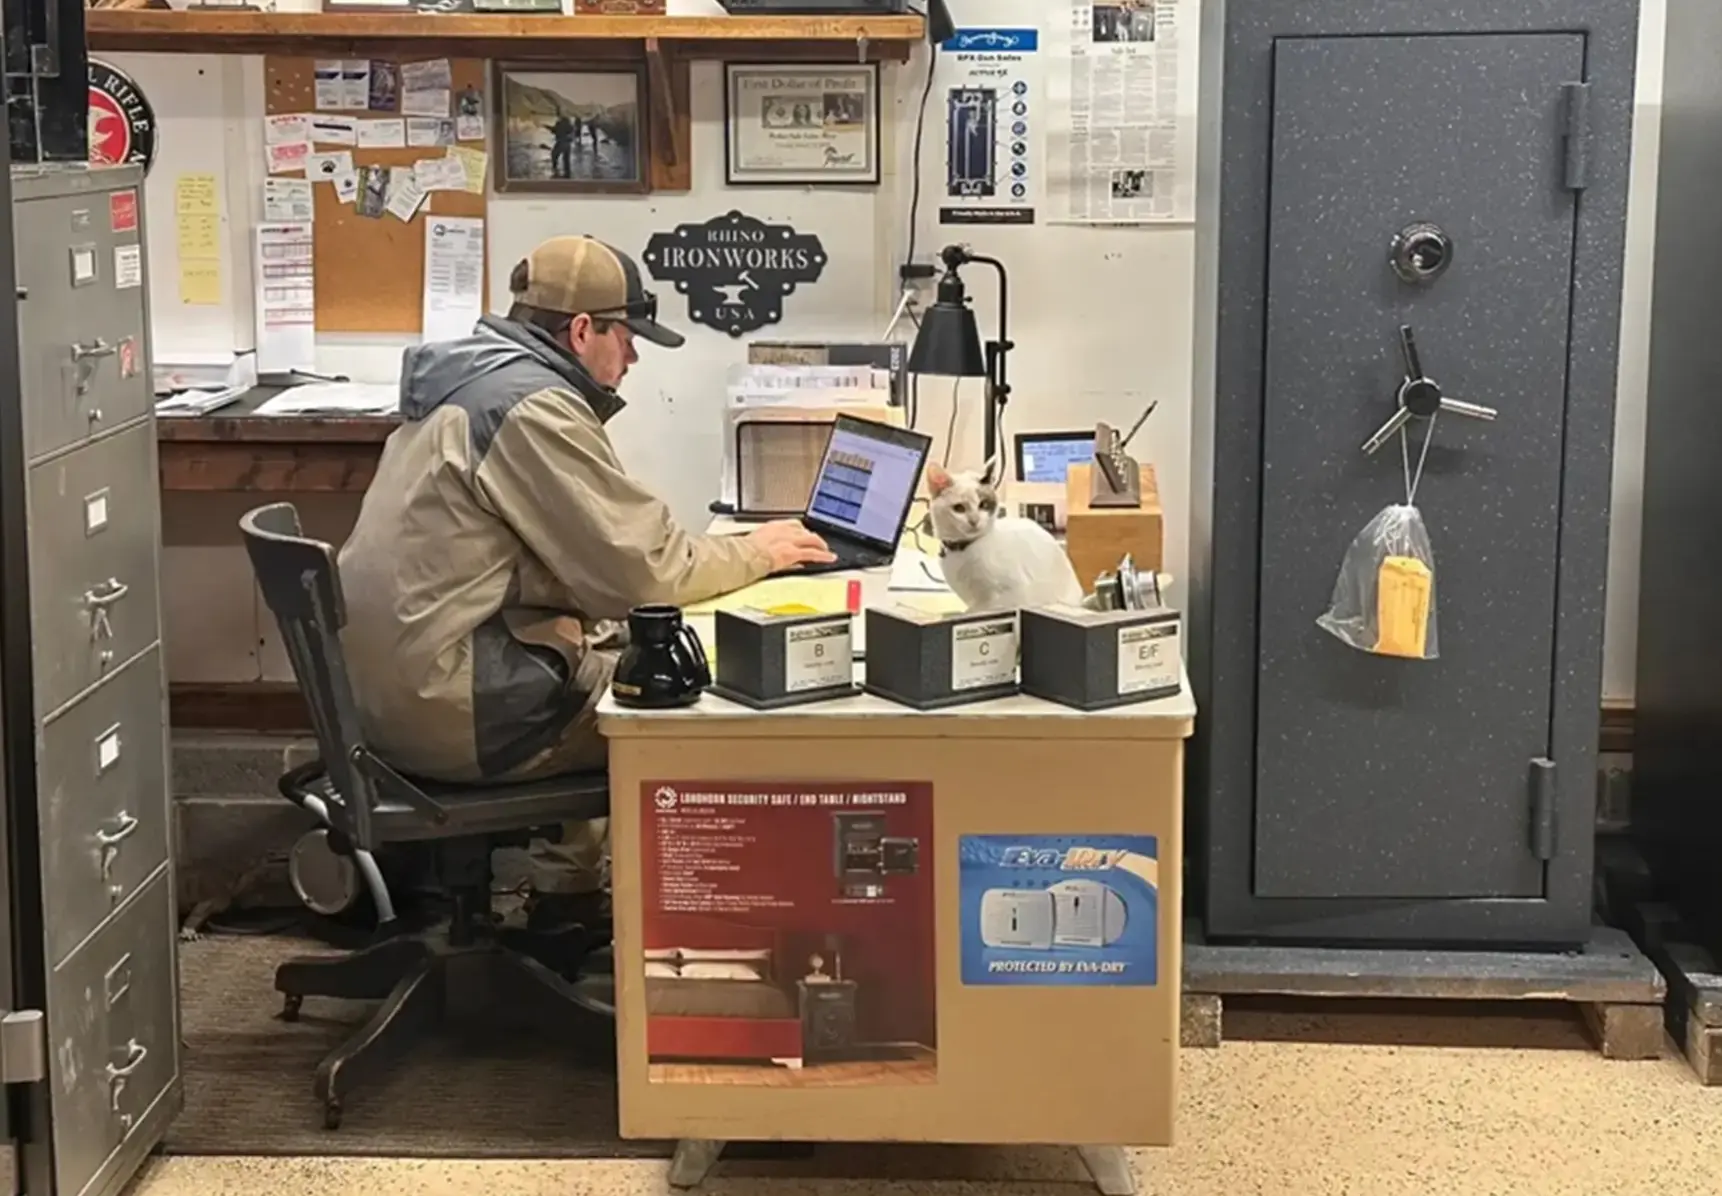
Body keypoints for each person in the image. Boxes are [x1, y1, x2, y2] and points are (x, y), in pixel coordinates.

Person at [337, 236, 833, 925]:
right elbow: (646, 574)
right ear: (581, 330)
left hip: (387, 700)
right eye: (628, 337)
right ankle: (679, 940)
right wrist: (760, 551)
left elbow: (594, 564)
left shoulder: (469, 384)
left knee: (603, 650)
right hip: (457, 709)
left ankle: (566, 908)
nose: (632, 358)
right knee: (697, 708)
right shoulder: (530, 408)